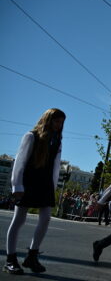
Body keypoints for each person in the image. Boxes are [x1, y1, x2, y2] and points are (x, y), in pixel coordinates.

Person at [4, 108, 66, 275]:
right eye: (56, 121)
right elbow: (20, 162)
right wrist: (17, 186)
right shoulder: (31, 136)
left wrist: (53, 188)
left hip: (45, 185)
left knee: (45, 218)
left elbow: (55, 167)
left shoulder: (57, 141)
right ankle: (10, 259)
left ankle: (32, 255)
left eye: (61, 122)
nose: (59, 125)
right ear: (48, 120)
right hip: (28, 182)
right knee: (19, 219)